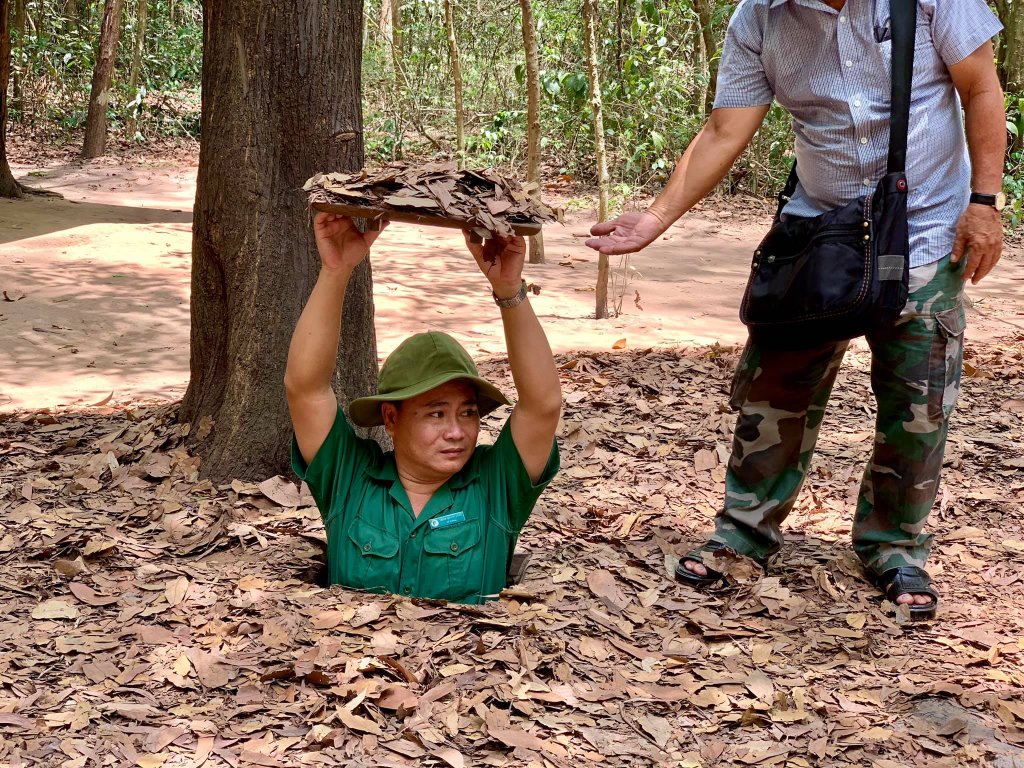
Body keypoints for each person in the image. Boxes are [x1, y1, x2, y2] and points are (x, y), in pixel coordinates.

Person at [586, 0, 1005, 620]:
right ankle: (744, 533)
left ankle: (894, 546)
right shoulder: (758, 18)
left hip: (925, 234)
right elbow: (724, 130)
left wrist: (984, 202)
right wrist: (654, 219)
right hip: (820, 241)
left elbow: (981, 90)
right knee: (775, 392)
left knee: (918, 408)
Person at [285, 212, 561, 604]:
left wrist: (509, 289)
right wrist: (336, 270)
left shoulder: (495, 484)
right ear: (392, 418)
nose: (457, 431)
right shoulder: (350, 479)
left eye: (468, 412)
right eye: (436, 413)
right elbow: (305, 388)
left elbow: (543, 405)